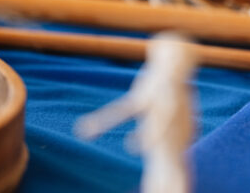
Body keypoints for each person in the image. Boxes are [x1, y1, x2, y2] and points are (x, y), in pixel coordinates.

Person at [76, 33, 197, 193]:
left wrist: (146, 136)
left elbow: (179, 117)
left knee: (170, 172)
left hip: (171, 141)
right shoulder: (153, 82)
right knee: (160, 173)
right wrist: (100, 121)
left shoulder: (180, 88)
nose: (177, 65)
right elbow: (132, 105)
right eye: (172, 59)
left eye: (180, 60)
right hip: (160, 141)